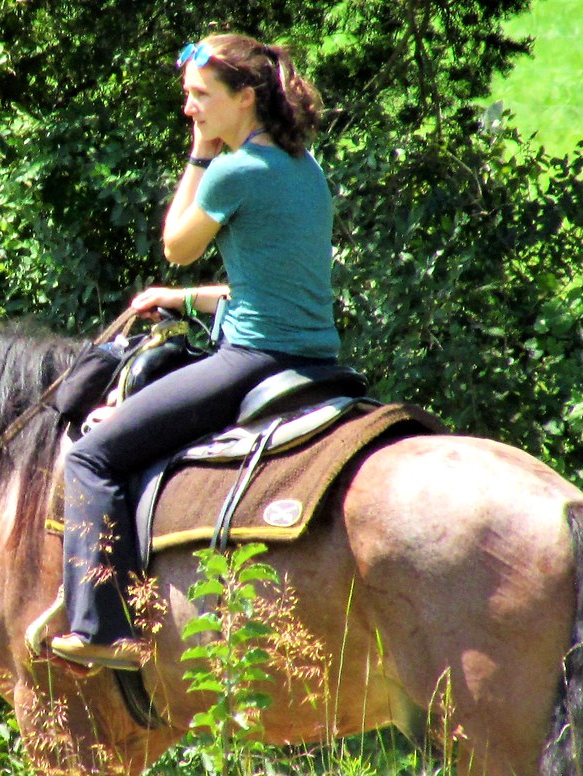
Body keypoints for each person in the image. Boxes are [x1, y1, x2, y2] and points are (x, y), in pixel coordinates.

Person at [50, 33, 341, 670]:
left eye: (201, 96)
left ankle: (105, 630)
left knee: (92, 457)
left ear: (245, 98)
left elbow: (176, 244)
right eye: (187, 97)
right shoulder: (304, 166)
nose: (191, 109)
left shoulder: (235, 170)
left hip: (255, 360)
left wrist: (199, 157)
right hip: (318, 361)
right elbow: (267, 289)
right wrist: (183, 300)